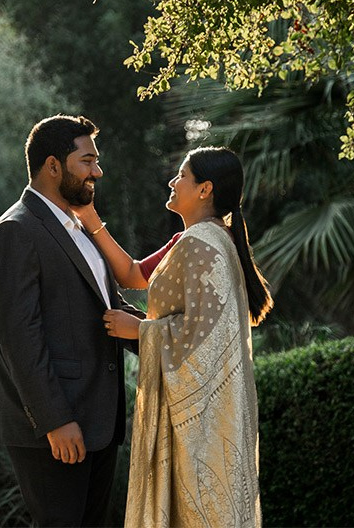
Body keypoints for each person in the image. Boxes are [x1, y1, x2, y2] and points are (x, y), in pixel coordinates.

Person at [77, 146, 273, 528]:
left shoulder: (201, 243)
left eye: (181, 175)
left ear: (205, 189)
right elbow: (133, 275)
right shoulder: (198, 240)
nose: (172, 181)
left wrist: (140, 330)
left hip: (203, 419)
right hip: (218, 412)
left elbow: (205, 336)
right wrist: (90, 218)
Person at [0, 114, 142, 528]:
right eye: (87, 161)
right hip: (56, 425)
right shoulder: (14, 231)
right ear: (53, 165)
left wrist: (171, 337)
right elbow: (19, 338)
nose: (97, 172)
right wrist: (55, 420)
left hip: (99, 421)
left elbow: (108, 308)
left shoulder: (78, 227)